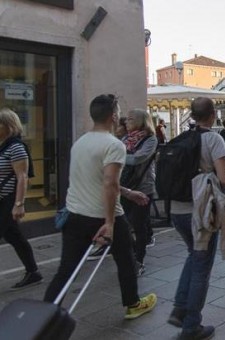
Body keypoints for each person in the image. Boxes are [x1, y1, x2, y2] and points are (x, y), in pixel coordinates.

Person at [43, 94, 157, 320]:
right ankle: (133, 303)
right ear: (114, 116)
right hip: (104, 215)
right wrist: (109, 223)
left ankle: (45, 313)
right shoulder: (114, 145)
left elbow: (97, 180)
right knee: (125, 259)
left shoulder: (81, 142)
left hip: (75, 214)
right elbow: (109, 184)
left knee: (67, 269)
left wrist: (129, 193)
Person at [167, 97, 225, 340]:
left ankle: (180, 306)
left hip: (177, 210)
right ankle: (190, 326)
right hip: (202, 212)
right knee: (202, 267)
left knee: (194, 255)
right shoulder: (213, 139)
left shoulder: (180, 139)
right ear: (212, 115)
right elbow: (223, 177)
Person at [0, 108, 42, 290]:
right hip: (2, 200)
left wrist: (19, 204)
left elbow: (22, 177)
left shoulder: (16, 146)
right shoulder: (3, 145)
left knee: (13, 235)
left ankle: (33, 272)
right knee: (14, 236)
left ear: (8, 126)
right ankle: (33, 272)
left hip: (9, 200)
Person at [120, 109, 158, 276]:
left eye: (130, 119)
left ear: (142, 121)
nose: (127, 122)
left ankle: (139, 259)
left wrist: (117, 156)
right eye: (126, 119)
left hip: (143, 187)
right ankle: (130, 254)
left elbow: (138, 159)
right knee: (125, 224)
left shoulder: (150, 139)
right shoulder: (125, 139)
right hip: (125, 187)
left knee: (138, 225)